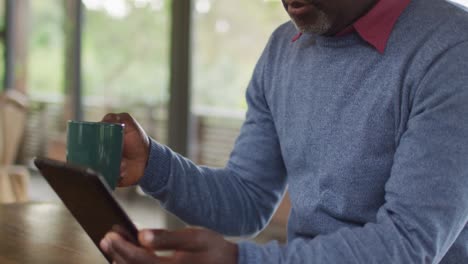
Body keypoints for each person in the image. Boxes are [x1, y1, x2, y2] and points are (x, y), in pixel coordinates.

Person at [99, 0, 468, 263]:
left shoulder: (452, 48)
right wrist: (154, 166)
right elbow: (247, 199)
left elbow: (408, 244)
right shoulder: (282, 50)